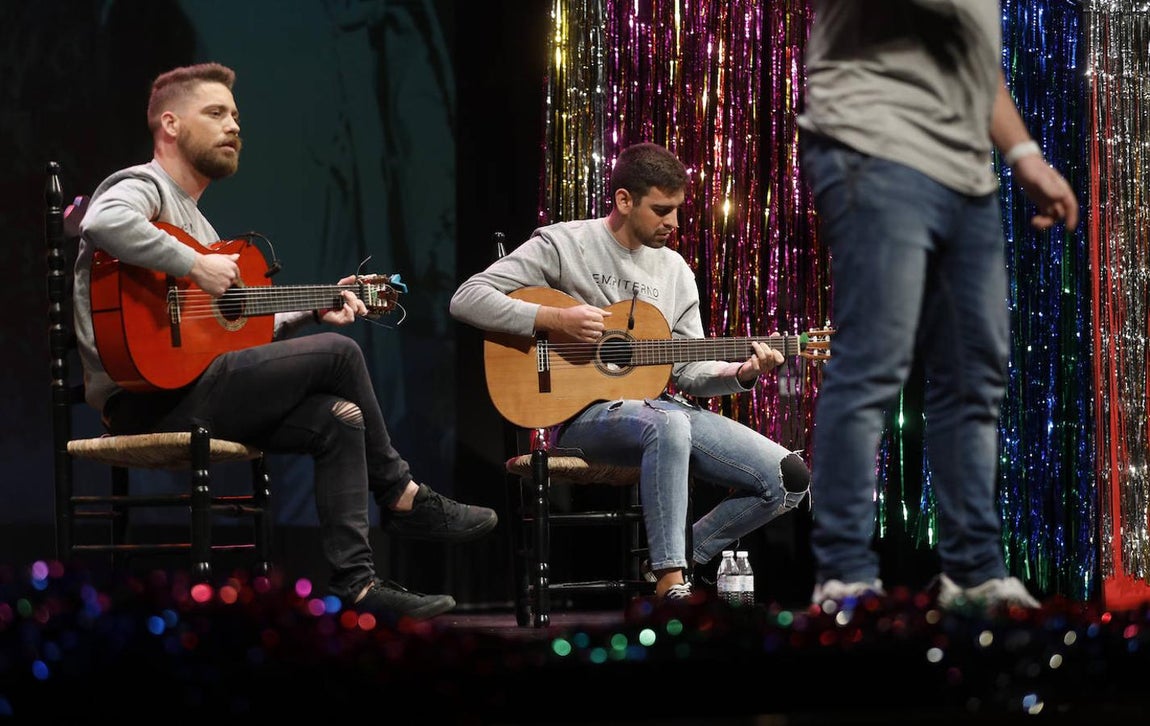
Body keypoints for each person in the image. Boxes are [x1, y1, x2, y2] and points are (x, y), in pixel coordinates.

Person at [73, 62, 497, 620]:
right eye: (216, 113)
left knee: (339, 417)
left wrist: (310, 308)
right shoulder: (143, 186)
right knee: (342, 354)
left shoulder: (201, 228)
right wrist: (197, 265)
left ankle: (358, 588)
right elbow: (101, 222)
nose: (233, 127)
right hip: (145, 400)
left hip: (195, 390)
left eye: (236, 116)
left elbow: (232, 336)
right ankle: (401, 495)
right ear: (170, 125)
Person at [797, 1, 1079, 614]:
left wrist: (1025, 154)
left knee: (975, 375)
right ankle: (843, 577)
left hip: (967, 176)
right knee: (874, 361)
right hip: (873, 142)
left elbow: (979, 65)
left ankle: (975, 574)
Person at [449, 142, 811, 602]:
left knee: (788, 478)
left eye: (678, 211)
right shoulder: (564, 243)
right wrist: (551, 319)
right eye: (662, 210)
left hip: (664, 414)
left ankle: (681, 554)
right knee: (670, 422)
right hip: (587, 418)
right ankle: (669, 581)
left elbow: (687, 369)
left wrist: (740, 373)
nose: (674, 224)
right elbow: (467, 297)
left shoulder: (675, 270)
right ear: (624, 201)